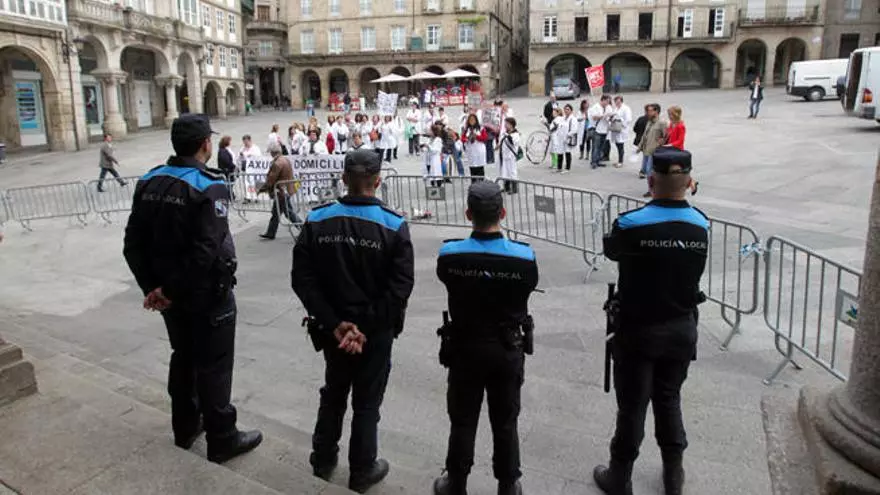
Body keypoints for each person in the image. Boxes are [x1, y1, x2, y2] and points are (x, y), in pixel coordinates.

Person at [122, 114, 263, 464]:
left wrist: (153, 289)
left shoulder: (150, 180)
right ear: (205, 144)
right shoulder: (208, 185)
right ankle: (222, 438)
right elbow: (206, 251)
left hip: (169, 297)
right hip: (205, 295)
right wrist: (168, 290)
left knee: (183, 356)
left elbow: (132, 244)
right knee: (215, 365)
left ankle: (185, 426)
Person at [292, 149, 415, 494]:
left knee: (333, 392)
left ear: (344, 179)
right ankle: (362, 469)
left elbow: (303, 279)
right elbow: (400, 288)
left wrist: (336, 324)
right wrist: (365, 328)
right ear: (378, 181)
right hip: (374, 334)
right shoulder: (394, 225)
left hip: (332, 331)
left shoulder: (318, 219)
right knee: (367, 402)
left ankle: (322, 459)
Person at [594, 147, 708, 495]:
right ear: (689, 182)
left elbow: (611, 251)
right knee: (669, 398)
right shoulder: (701, 225)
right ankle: (673, 476)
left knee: (632, 406)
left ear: (650, 181)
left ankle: (620, 476)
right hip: (680, 327)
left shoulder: (629, 224)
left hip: (638, 329)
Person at [432, 181, 539, 495]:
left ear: (468, 214)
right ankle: (508, 484)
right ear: (503, 213)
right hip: (506, 348)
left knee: (463, 418)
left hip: (466, 347)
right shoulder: (524, 258)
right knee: (505, 419)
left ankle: (456, 482)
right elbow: (528, 286)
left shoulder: (450, 255)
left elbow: (445, 278)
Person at [259, 142, 298, 240]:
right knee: (276, 213)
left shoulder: (277, 163)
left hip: (280, 191)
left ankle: (305, 230)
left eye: (270, 152)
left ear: (273, 152)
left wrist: (261, 188)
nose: (270, 154)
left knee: (289, 214)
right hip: (285, 190)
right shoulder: (285, 159)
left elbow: (271, 180)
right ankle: (270, 232)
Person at [637, 103, 667, 197]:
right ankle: (652, 189)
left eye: (650, 111)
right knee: (647, 171)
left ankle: (652, 190)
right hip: (646, 149)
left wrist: (661, 143)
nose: (648, 113)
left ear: (656, 111)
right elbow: (645, 135)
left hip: (654, 151)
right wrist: (640, 146)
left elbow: (666, 136)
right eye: (648, 111)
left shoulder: (662, 123)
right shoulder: (649, 122)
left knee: (650, 171)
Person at [497, 117, 521, 193]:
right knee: (505, 171)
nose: (505, 125)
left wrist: (507, 135)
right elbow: (502, 142)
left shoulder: (516, 134)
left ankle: (514, 188)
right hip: (504, 156)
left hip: (511, 157)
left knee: (512, 172)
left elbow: (512, 142)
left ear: (511, 125)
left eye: (507, 124)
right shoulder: (506, 133)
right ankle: (506, 187)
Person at [589, 95, 613, 169]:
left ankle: (598, 160)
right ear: (603, 100)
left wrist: (611, 117)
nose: (608, 103)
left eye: (608, 102)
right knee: (596, 146)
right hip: (597, 130)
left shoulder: (609, 107)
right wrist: (604, 115)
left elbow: (610, 116)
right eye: (607, 101)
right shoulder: (595, 107)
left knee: (601, 147)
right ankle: (593, 162)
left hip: (605, 130)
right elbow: (594, 117)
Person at [462, 113, 488, 179]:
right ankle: (473, 183)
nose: (472, 121)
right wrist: (467, 139)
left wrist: (477, 136)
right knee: (472, 168)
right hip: (471, 151)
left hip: (479, 151)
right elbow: (462, 138)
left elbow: (485, 138)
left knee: (480, 168)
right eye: (470, 120)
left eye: (473, 119)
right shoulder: (466, 129)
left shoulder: (481, 128)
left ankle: (481, 182)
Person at [610, 96, 633, 168]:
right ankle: (619, 161)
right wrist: (612, 118)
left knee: (620, 145)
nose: (617, 103)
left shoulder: (626, 108)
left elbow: (629, 119)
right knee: (617, 144)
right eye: (616, 102)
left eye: (618, 102)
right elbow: (613, 116)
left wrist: (620, 120)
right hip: (616, 129)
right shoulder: (616, 108)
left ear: (621, 101)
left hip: (622, 129)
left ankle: (620, 162)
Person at [559, 104, 578, 174]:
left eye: (568, 109)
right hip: (561, 138)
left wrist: (567, 135)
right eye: (565, 109)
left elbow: (574, 130)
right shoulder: (563, 118)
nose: (566, 111)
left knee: (567, 152)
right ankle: (559, 167)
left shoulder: (573, 119)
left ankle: (567, 168)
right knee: (560, 152)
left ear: (571, 110)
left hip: (568, 138)